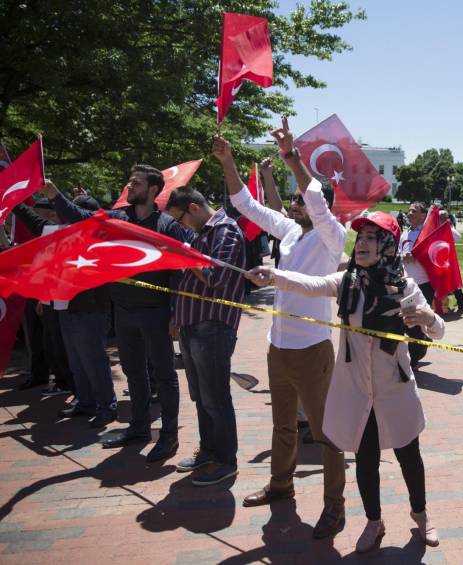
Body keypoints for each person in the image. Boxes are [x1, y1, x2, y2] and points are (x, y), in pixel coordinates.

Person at [245, 211, 443, 553]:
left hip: (395, 389)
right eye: (360, 237)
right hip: (357, 390)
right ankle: (373, 521)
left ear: (387, 245)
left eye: (371, 238)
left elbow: (439, 331)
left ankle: (421, 514)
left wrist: (427, 318)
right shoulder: (347, 281)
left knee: (409, 455)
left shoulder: (404, 287)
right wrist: (275, 276)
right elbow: (312, 284)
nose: (361, 244)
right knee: (365, 459)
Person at [212, 118, 347, 540]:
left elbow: (314, 195)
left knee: (326, 435)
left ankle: (334, 507)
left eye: (299, 201)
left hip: (313, 350)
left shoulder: (332, 235)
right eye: (292, 202)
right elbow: (246, 205)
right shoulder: (290, 233)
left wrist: (292, 157)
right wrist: (227, 160)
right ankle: (280, 485)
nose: (292, 205)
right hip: (279, 347)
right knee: (283, 426)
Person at [41, 167, 188, 463]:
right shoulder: (118, 219)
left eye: (136, 183)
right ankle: (139, 427)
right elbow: (80, 219)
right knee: (134, 372)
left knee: (163, 375)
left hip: (156, 313)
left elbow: (179, 272)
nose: (129, 186)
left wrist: (176, 313)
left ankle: (169, 435)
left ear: (152, 189)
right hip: (123, 311)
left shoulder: (167, 225)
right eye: (129, 180)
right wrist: (54, 194)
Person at [166, 187, 246, 486]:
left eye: (182, 219)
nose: (182, 226)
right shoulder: (200, 234)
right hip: (192, 324)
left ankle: (226, 460)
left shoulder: (226, 230)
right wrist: (178, 315)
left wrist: (186, 254)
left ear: (194, 208)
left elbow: (215, 277)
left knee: (215, 397)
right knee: (201, 397)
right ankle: (210, 451)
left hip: (212, 326)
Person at [13, 197, 117, 427]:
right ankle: (86, 401)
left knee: (93, 359)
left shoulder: (100, 236)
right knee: (77, 360)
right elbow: (35, 222)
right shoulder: (62, 232)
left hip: (89, 309)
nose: (62, 215)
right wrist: (14, 203)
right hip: (65, 306)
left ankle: (106, 405)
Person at [399, 202, 436, 366]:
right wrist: (402, 256)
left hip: (424, 285)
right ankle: (423, 339)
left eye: (414, 211)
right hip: (406, 285)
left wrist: (418, 256)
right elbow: (399, 254)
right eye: (408, 211)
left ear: (423, 215)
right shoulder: (404, 234)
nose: (409, 213)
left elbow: (435, 254)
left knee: (414, 322)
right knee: (406, 321)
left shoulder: (428, 233)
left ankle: (413, 360)